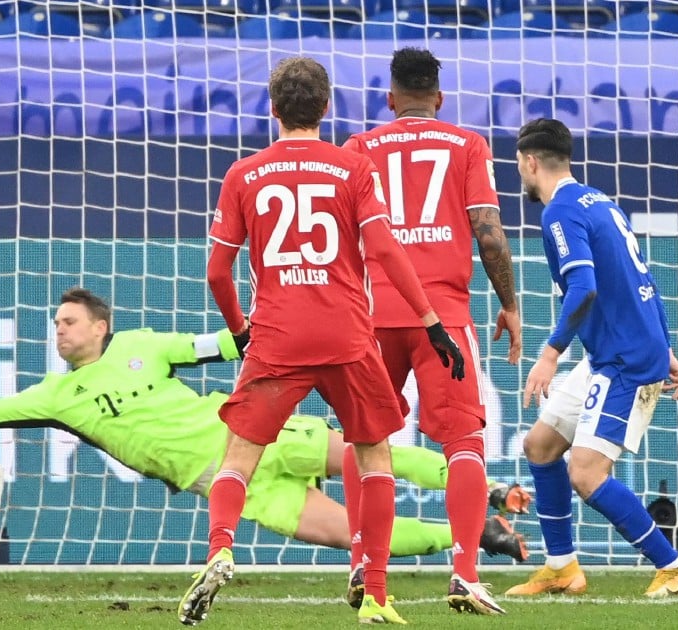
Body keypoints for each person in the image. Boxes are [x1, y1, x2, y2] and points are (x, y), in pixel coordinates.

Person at [0, 289, 530, 566]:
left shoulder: (145, 343)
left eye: (70, 321)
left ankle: (487, 492)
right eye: (55, 324)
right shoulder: (59, 395)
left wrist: (279, 319)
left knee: (365, 452)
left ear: (102, 326)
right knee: (351, 538)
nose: (59, 329)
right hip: (228, 485)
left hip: (253, 436)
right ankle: (476, 537)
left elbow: (228, 342)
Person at [189, 56, 469, 626]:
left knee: (237, 461)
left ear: (272, 110)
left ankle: (220, 547)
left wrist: (242, 331)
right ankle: (376, 596)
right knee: (374, 457)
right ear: (326, 108)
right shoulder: (351, 168)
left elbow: (218, 273)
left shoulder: (244, 174)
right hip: (346, 334)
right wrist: (430, 318)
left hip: (277, 337)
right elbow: (386, 252)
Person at [341, 47, 522, 616]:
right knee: (464, 440)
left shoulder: (357, 148)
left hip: (372, 314)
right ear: (439, 99)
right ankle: (465, 572)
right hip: (442, 316)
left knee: (365, 437)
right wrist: (509, 305)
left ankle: (361, 561)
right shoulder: (467, 144)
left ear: (389, 99)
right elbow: (489, 234)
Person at [506, 118, 678, 598]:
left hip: (624, 360)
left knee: (587, 472)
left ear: (531, 162)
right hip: (615, 352)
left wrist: (549, 354)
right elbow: (643, 278)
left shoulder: (559, 214)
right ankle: (561, 568)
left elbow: (584, 288)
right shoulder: (600, 202)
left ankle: (674, 568)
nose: (520, 176)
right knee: (540, 446)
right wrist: (668, 344)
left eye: (518, 167)